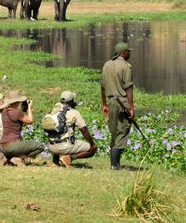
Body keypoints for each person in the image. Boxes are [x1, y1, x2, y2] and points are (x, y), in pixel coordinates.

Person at [101, 42, 134, 170]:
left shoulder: (106, 65)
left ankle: (115, 164)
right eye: (128, 51)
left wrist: (104, 104)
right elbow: (129, 89)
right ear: (123, 52)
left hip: (110, 102)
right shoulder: (126, 66)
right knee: (122, 130)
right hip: (122, 103)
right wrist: (131, 108)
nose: (130, 53)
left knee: (114, 131)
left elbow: (102, 87)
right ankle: (115, 165)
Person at [44, 90, 97, 168]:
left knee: (58, 133)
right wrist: (92, 143)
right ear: (72, 100)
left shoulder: (54, 110)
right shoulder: (74, 112)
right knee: (92, 149)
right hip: (64, 147)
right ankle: (69, 158)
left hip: (50, 146)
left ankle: (55, 162)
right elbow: (84, 130)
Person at [0, 89, 44, 165]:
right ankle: (20, 158)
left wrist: (22, 110)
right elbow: (30, 121)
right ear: (17, 101)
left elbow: (15, 119)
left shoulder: (4, 111)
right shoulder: (17, 112)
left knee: (18, 147)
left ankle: (10, 159)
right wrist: (29, 107)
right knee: (40, 146)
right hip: (12, 145)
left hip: (2, 146)